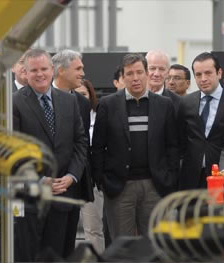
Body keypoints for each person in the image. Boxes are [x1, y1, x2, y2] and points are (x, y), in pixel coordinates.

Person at [91, 53, 179, 240]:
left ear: (147, 74)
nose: (135, 78)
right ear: (122, 77)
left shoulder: (165, 105)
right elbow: (97, 147)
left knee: (155, 245)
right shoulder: (108, 104)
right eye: (130, 74)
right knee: (122, 246)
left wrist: (169, 178)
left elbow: (172, 146)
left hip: (155, 185)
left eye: (139, 72)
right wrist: (102, 181)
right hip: (120, 187)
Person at [13, 49, 87, 260]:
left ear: (52, 70)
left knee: (60, 256)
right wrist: (40, 180)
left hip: (64, 194)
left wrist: (71, 177)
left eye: (44, 69)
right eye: (33, 70)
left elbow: (80, 142)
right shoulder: (14, 103)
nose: (40, 74)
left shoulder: (69, 101)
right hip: (30, 200)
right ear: (25, 73)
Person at [178, 52, 224, 190]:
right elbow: (180, 140)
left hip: (222, 177)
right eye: (198, 75)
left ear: (219, 73)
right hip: (191, 177)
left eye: (208, 73)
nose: (203, 79)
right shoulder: (186, 102)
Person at [75, 79, 105, 254]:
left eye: (84, 95)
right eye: (77, 95)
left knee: (93, 228)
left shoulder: (99, 115)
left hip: (92, 180)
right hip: (71, 178)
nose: (81, 99)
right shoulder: (68, 115)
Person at [146, 50, 181, 115]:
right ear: (145, 70)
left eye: (161, 69)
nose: (156, 74)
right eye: (152, 68)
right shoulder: (133, 97)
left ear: (168, 73)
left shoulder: (177, 102)